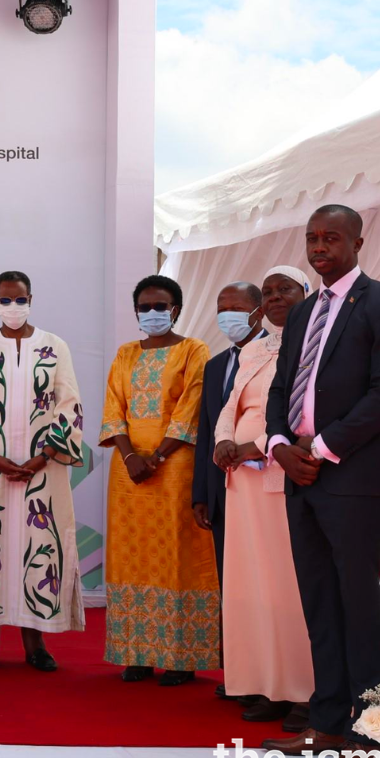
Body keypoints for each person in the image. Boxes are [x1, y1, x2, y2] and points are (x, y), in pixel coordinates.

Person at [262, 206, 380, 756]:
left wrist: (321, 448)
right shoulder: (301, 314)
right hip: (300, 473)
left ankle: (376, 730)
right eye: (312, 239)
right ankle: (327, 724)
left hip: (354, 476)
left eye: (331, 238)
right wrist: (280, 446)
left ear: (357, 242)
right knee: (320, 601)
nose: (320, 246)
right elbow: (282, 389)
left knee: (359, 601)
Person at [0, 271, 87, 670]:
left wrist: (41, 458)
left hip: (43, 469)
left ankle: (36, 645)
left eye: (19, 299)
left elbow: (69, 404)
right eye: (5, 300)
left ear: (31, 298)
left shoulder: (54, 346)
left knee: (39, 548)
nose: (13, 307)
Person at [99, 275, 217, 686]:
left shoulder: (193, 350)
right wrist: (131, 456)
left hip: (176, 465)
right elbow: (114, 408)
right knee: (131, 553)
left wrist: (158, 455)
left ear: (177, 309)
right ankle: (137, 653)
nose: (152, 313)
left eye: (160, 306)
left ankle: (181, 658)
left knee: (177, 555)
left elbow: (191, 407)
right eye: (145, 307)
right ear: (135, 312)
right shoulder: (125, 353)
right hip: (128, 470)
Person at [213, 266, 314, 731]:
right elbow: (230, 405)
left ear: (307, 294)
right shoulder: (258, 348)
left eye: (285, 290)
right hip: (244, 482)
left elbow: (308, 410)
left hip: (284, 476)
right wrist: (224, 442)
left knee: (289, 586)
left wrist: (261, 446)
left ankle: (305, 692)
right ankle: (265, 685)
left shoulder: (315, 342)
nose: (275, 298)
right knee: (250, 585)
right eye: (269, 292)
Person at [192, 281, 266, 699]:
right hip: (222, 492)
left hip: (261, 488)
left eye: (236, 307)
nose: (227, 316)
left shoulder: (276, 353)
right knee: (231, 587)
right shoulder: (217, 363)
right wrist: (201, 494)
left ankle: (266, 676)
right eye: (222, 308)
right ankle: (238, 675)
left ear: (257, 312)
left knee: (261, 584)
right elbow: (206, 431)